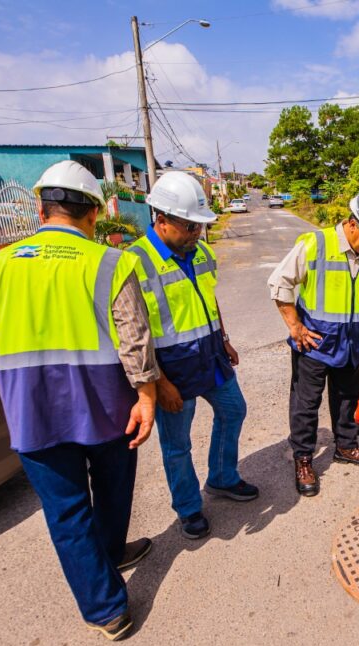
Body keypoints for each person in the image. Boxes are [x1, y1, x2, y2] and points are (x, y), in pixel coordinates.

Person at [0, 160, 159, 642]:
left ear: (40, 207)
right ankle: (110, 556)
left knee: (67, 511)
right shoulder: (109, 262)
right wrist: (147, 396)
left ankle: (106, 609)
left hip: (33, 413)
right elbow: (134, 339)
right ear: (93, 213)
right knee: (113, 491)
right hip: (107, 408)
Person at [127, 171, 257, 541]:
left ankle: (222, 477)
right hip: (170, 368)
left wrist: (224, 337)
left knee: (233, 410)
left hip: (210, 353)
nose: (196, 233)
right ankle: (188, 508)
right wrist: (158, 383)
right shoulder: (134, 263)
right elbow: (133, 335)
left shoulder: (201, 252)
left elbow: (208, 297)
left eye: (199, 225)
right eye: (189, 226)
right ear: (161, 220)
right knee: (177, 444)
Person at [268, 188, 359, 496]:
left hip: (351, 342)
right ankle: (303, 458)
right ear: (353, 224)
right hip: (314, 344)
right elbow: (279, 283)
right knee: (306, 405)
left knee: (348, 398)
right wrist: (295, 327)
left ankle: (346, 446)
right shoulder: (316, 244)